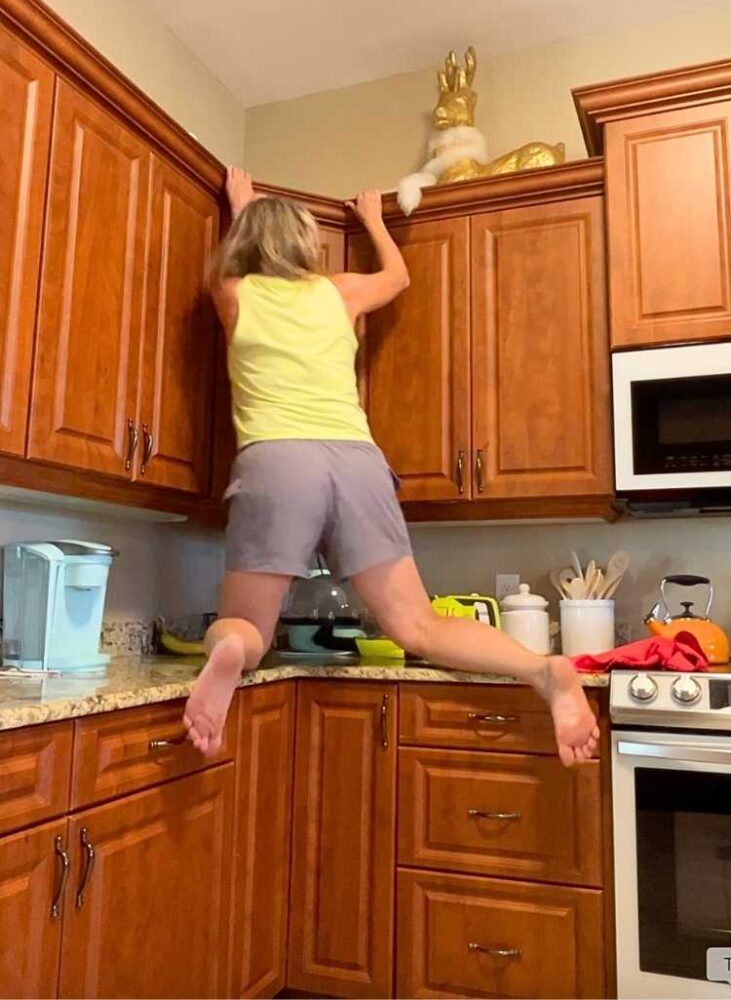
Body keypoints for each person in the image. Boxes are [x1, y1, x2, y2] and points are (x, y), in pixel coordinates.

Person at [183, 167, 599, 767]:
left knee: (246, 626)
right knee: (419, 625)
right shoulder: (340, 289)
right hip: (357, 459)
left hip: (278, 458)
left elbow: (232, 260)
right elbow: (399, 277)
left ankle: (229, 655)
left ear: (245, 242)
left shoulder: (233, 290)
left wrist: (241, 204)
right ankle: (543, 670)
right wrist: (375, 219)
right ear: (305, 245)